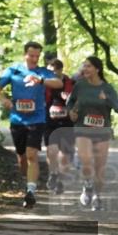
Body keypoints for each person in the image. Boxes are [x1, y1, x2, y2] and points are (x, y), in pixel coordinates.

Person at [0, 41, 62, 208]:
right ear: (25, 54)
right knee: (22, 158)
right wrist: (4, 100)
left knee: (32, 155)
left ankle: (31, 191)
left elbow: (58, 83)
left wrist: (41, 80)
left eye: (37, 56)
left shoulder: (42, 72)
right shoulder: (14, 70)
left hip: (37, 119)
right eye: (31, 55)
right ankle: (27, 181)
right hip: (17, 120)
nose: (34, 59)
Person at [67, 56, 118, 212]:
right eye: (84, 66)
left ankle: (97, 196)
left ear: (97, 69)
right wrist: (71, 112)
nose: (85, 69)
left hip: (102, 131)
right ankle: (87, 185)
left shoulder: (107, 88)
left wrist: (107, 99)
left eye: (88, 66)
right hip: (83, 128)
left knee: (99, 166)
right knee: (86, 160)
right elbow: (70, 102)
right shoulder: (80, 86)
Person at [45, 58, 76, 194]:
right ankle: (53, 174)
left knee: (66, 155)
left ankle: (60, 181)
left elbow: (79, 101)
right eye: (49, 71)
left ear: (60, 70)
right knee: (52, 151)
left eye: (53, 72)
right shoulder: (45, 83)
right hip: (49, 122)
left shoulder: (71, 83)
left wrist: (69, 99)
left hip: (67, 123)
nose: (51, 74)